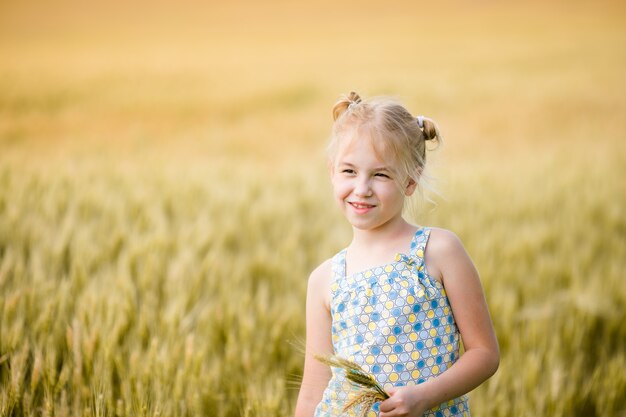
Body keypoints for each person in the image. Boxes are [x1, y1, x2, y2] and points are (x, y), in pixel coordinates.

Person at [295, 92, 499, 417]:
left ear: (410, 180)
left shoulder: (439, 252)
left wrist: (424, 397)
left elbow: (484, 353)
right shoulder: (324, 279)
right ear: (332, 171)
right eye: (349, 171)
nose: (362, 188)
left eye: (381, 174)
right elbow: (313, 389)